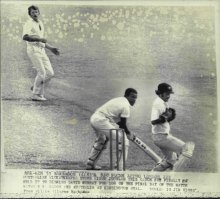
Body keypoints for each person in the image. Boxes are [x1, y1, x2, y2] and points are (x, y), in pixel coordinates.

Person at [86, 88, 138, 170]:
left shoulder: (119, 100)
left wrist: (126, 131)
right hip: (101, 120)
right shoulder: (126, 106)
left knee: (102, 140)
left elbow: (119, 123)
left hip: (95, 118)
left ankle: (90, 163)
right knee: (123, 140)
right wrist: (128, 133)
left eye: (135, 98)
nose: (134, 100)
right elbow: (123, 125)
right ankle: (119, 168)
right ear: (126, 96)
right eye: (132, 97)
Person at [151, 83, 194, 171]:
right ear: (160, 93)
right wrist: (163, 118)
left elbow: (165, 119)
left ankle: (152, 175)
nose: (169, 96)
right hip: (161, 137)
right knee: (187, 148)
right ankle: (175, 175)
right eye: (167, 93)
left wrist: (167, 118)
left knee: (171, 160)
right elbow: (153, 121)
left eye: (169, 94)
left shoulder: (163, 102)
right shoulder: (158, 103)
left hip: (160, 137)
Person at [23, 5, 60, 101]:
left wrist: (51, 48)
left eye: (36, 12)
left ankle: (35, 86)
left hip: (41, 50)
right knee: (42, 72)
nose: (35, 14)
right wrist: (39, 39)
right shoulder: (28, 24)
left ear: (38, 13)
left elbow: (41, 41)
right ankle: (35, 95)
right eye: (32, 13)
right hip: (33, 50)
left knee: (50, 73)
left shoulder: (40, 23)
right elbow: (25, 37)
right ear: (30, 14)